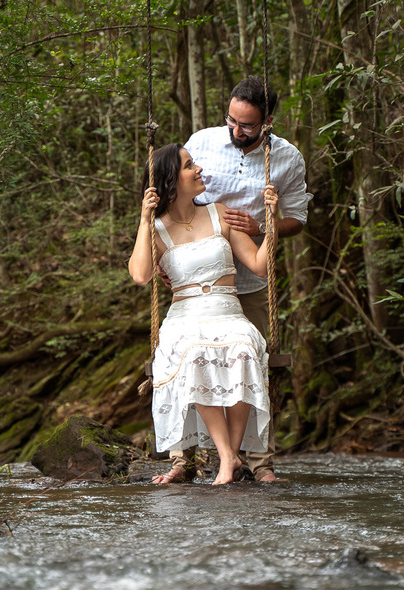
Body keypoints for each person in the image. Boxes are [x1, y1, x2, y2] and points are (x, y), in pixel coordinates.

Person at [169, 76, 312, 483]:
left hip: (249, 282)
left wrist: (262, 226)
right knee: (187, 360)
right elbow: (172, 198)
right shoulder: (201, 143)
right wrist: (168, 256)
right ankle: (183, 459)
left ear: (267, 122)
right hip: (198, 277)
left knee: (253, 364)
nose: (235, 131)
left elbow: (297, 219)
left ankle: (259, 461)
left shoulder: (287, 158)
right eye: (231, 120)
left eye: (246, 125)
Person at [128, 143, 280, 485]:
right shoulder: (157, 229)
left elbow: (260, 266)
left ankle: (231, 456)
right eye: (189, 165)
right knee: (195, 352)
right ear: (171, 180)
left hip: (228, 311)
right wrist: (144, 220)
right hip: (185, 317)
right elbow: (140, 275)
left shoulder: (219, 214)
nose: (198, 169)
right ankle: (228, 457)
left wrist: (270, 222)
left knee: (244, 348)